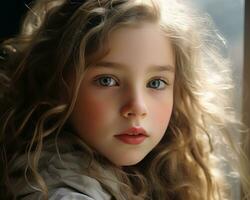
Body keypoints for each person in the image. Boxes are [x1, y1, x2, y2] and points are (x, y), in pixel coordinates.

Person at [0, 0, 249, 199]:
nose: (137, 107)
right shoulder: (59, 191)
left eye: (156, 83)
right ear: (59, 85)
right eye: (108, 80)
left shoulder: (158, 174)